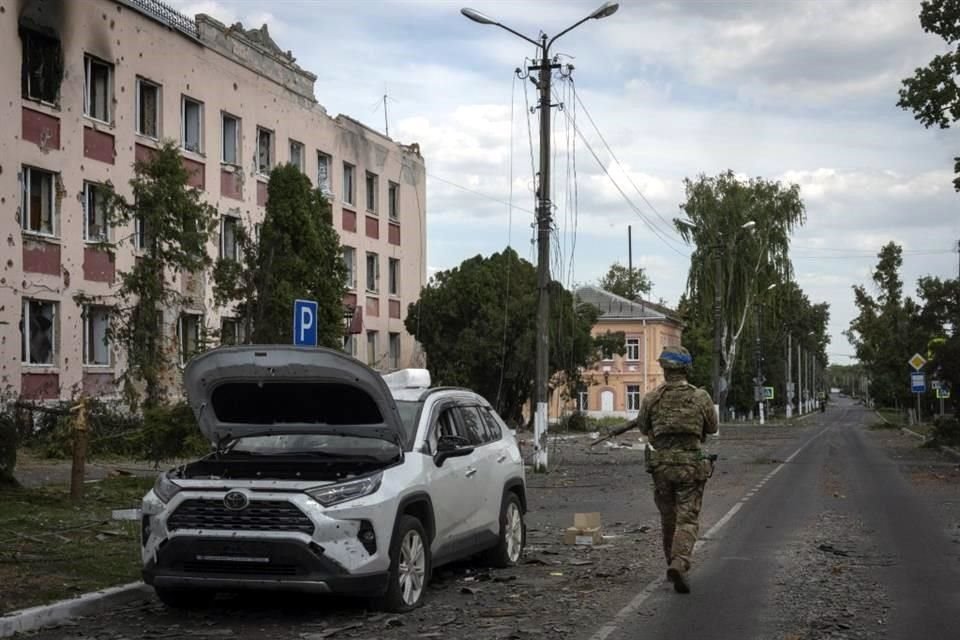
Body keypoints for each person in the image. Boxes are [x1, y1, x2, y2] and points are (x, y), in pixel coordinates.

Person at [610, 345, 718, 593]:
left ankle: (671, 562)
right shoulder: (700, 397)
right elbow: (711, 428)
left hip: (661, 468)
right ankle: (680, 562)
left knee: (668, 519)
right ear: (686, 368)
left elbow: (644, 428)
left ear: (664, 368)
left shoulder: (651, 398)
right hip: (691, 467)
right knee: (687, 519)